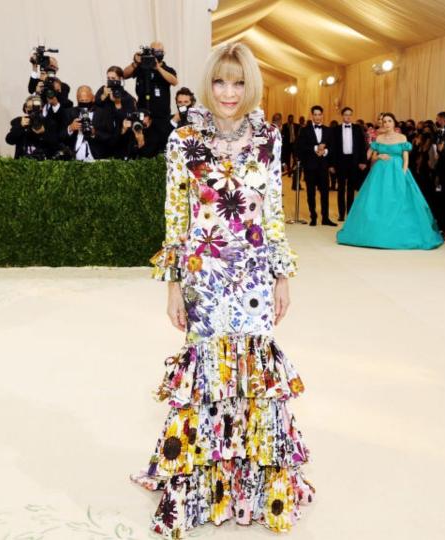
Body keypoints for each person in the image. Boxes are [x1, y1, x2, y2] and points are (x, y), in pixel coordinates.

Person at [131, 42, 313, 537]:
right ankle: (203, 486)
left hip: (253, 271)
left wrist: (282, 276)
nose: (229, 92)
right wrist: (173, 288)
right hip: (204, 271)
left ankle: (253, 485)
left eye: (238, 82)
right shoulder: (183, 139)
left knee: (254, 371)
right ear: (206, 84)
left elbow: (273, 210)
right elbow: (176, 216)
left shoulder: (269, 138)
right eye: (219, 81)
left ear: (250, 84)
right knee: (207, 373)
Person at [337, 112, 442, 250]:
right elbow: (370, 158)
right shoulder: (379, 139)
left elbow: (406, 158)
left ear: (394, 123)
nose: (387, 124)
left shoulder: (402, 137)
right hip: (379, 173)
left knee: (401, 201)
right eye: (384, 121)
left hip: (397, 171)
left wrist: (403, 172)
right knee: (377, 200)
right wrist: (378, 156)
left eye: (389, 121)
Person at [296, 105, 336, 226]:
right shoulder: (304, 130)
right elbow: (300, 147)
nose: (318, 117)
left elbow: (333, 147)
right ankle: (313, 216)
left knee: (325, 193)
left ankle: (326, 218)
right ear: (312, 115)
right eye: (315, 114)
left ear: (322, 115)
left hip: (323, 166)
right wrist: (315, 148)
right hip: (310, 166)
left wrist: (325, 151)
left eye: (320, 114)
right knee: (311, 193)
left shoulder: (328, 130)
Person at [123, 41, 178, 128]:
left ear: (164, 53)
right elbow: (124, 75)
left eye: (160, 51)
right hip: (143, 113)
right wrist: (136, 63)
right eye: (155, 51)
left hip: (161, 114)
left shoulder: (167, 69)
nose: (157, 54)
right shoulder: (142, 67)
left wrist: (158, 68)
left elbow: (174, 82)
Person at [329, 107, 369, 221]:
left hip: (353, 161)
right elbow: (332, 148)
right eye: (346, 114)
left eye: (350, 115)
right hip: (340, 161)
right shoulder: (335, 129)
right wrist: (331, 164)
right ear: (342, 116)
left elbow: (362, 146)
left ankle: (350, 213)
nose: (348, 117)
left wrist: (363, 161)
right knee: (341, 188)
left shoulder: (357, 128)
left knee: (351, 189)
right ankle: (341, 214)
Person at [61, 85, 116, 160]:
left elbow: (111, 138)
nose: (84, 103)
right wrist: (70, 128)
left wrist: (94, 133)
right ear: (77, 99)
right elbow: (59, 136)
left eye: (86, 100)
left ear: (93, 98)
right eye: (81, 101)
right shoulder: (69, 113)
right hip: (73, 160)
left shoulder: (103, 113)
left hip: (97, 159)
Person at [5, 95, 59, 160]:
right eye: (30, 107)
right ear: (26, 109)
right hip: (22, 162)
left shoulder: (49, 123)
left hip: (42, 164)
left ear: (41, 107)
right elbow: (9, 140)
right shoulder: (20, 121)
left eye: (36, 107)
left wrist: (44, 133)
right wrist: (20, 127)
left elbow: (55, 144)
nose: (33, 110)